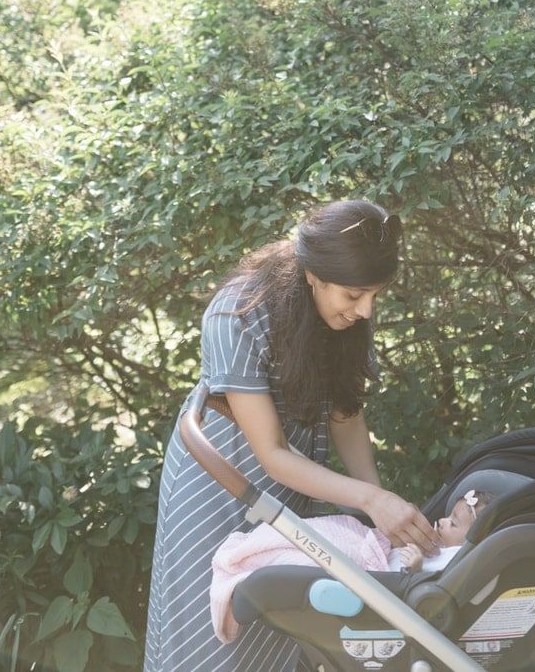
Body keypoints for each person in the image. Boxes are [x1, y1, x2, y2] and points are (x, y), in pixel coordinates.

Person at [143, 200, 439, 672]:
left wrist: (380, 506)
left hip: (291, 483)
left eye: (374, 296)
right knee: (211, 634)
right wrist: (369, 501)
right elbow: (272, 454)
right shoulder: (238, 312)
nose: (366, 310)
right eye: (355, 295)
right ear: (313, 275)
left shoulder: (343, 312)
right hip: (219, 482)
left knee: (280, 624)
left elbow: (346, 416)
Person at [209, 488, 496, 643]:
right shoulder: (440, 545)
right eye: (448, 516)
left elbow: (433, 587)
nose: (442, 521)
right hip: (373, 549)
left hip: (381, 578)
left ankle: (253, 557)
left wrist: (416, 566)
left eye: (453, 523)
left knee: (314, 554)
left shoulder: (455, 559)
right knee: (330, 531)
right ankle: (255, 549)